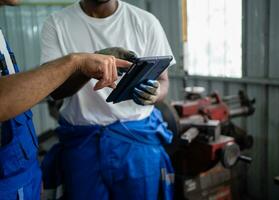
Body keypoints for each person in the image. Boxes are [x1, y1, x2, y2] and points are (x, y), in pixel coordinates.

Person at [40, 0, 176, 199]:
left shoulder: (145, 22)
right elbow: (55, 91)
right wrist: (87, 65)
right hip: (83, 145)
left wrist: (155, 94)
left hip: (136, 143)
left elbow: (163, 81)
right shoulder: (57, 24)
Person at [0, 0, 132, 199]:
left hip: (22, 178)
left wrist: (31, 170)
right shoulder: (57, 23)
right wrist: (76, 62)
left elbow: (15, 98)